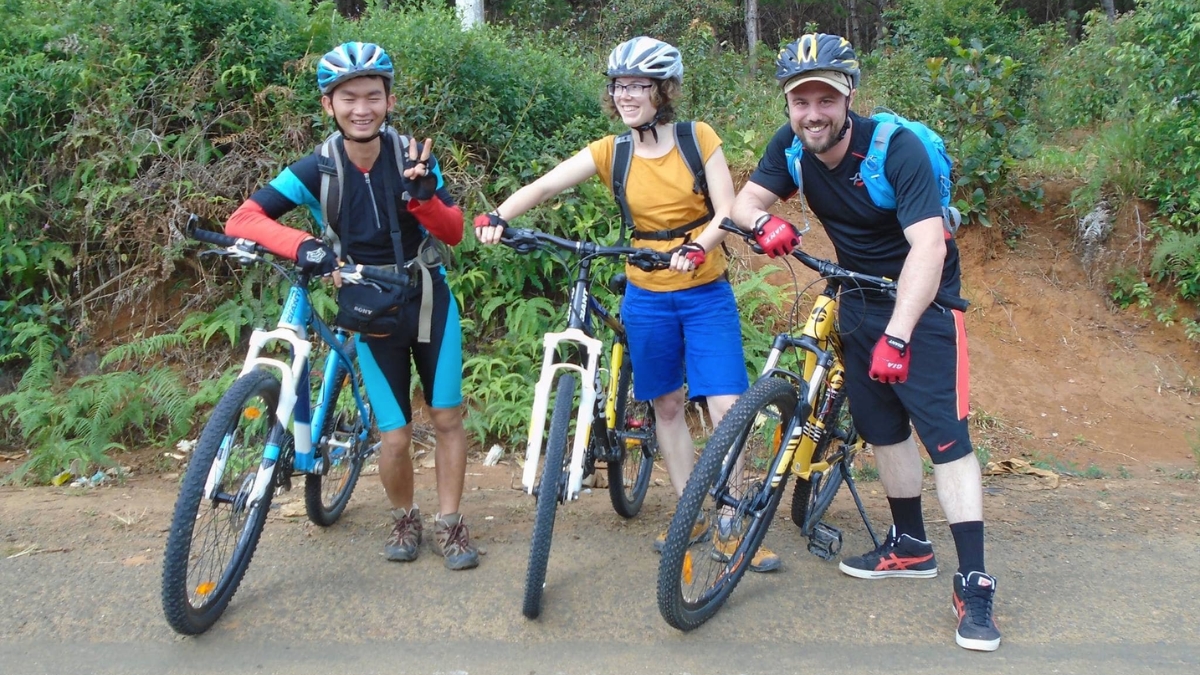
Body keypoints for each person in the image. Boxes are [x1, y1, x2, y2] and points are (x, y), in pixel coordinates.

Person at [730, 33, 1000, 649]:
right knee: (882, 429)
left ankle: (975, 583)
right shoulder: (792, 148)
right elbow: (744, 203)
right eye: (801, 101)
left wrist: (899, 336)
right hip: (857, 299)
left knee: (947, 440)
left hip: (924, 305)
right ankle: (910, 545)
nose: (813, 113)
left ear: (849, 95)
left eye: (826, 98)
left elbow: (928, 246)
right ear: (788, 105)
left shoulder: (895, 149)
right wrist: (764, 221)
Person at [474, 37, 778, 572]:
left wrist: (698, 247)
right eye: (619, 86)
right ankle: (691, 512)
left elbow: (727, 211)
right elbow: (544, 187)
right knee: (665, 406)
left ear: (663, 91)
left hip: (704, 291)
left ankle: (731, 518)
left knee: (725, 407)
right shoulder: (611, 151)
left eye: (638, 85)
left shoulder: (698, 138)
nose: (626, 95)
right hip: (646, 294)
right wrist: (498, 215)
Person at [223, 42, 479, 570]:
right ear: (328, 105)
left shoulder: (412, 157)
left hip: (427, 299)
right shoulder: (317, 168)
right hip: (370, 307)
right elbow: (242, 219)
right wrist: (302, 245)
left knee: (447, 415)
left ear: (389, 101)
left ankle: (451, 522)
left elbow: (454, 232)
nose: (362, 109)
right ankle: (404, 517)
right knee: (395, 434)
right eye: (348, 98)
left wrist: (425, 198)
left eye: (372, 96)